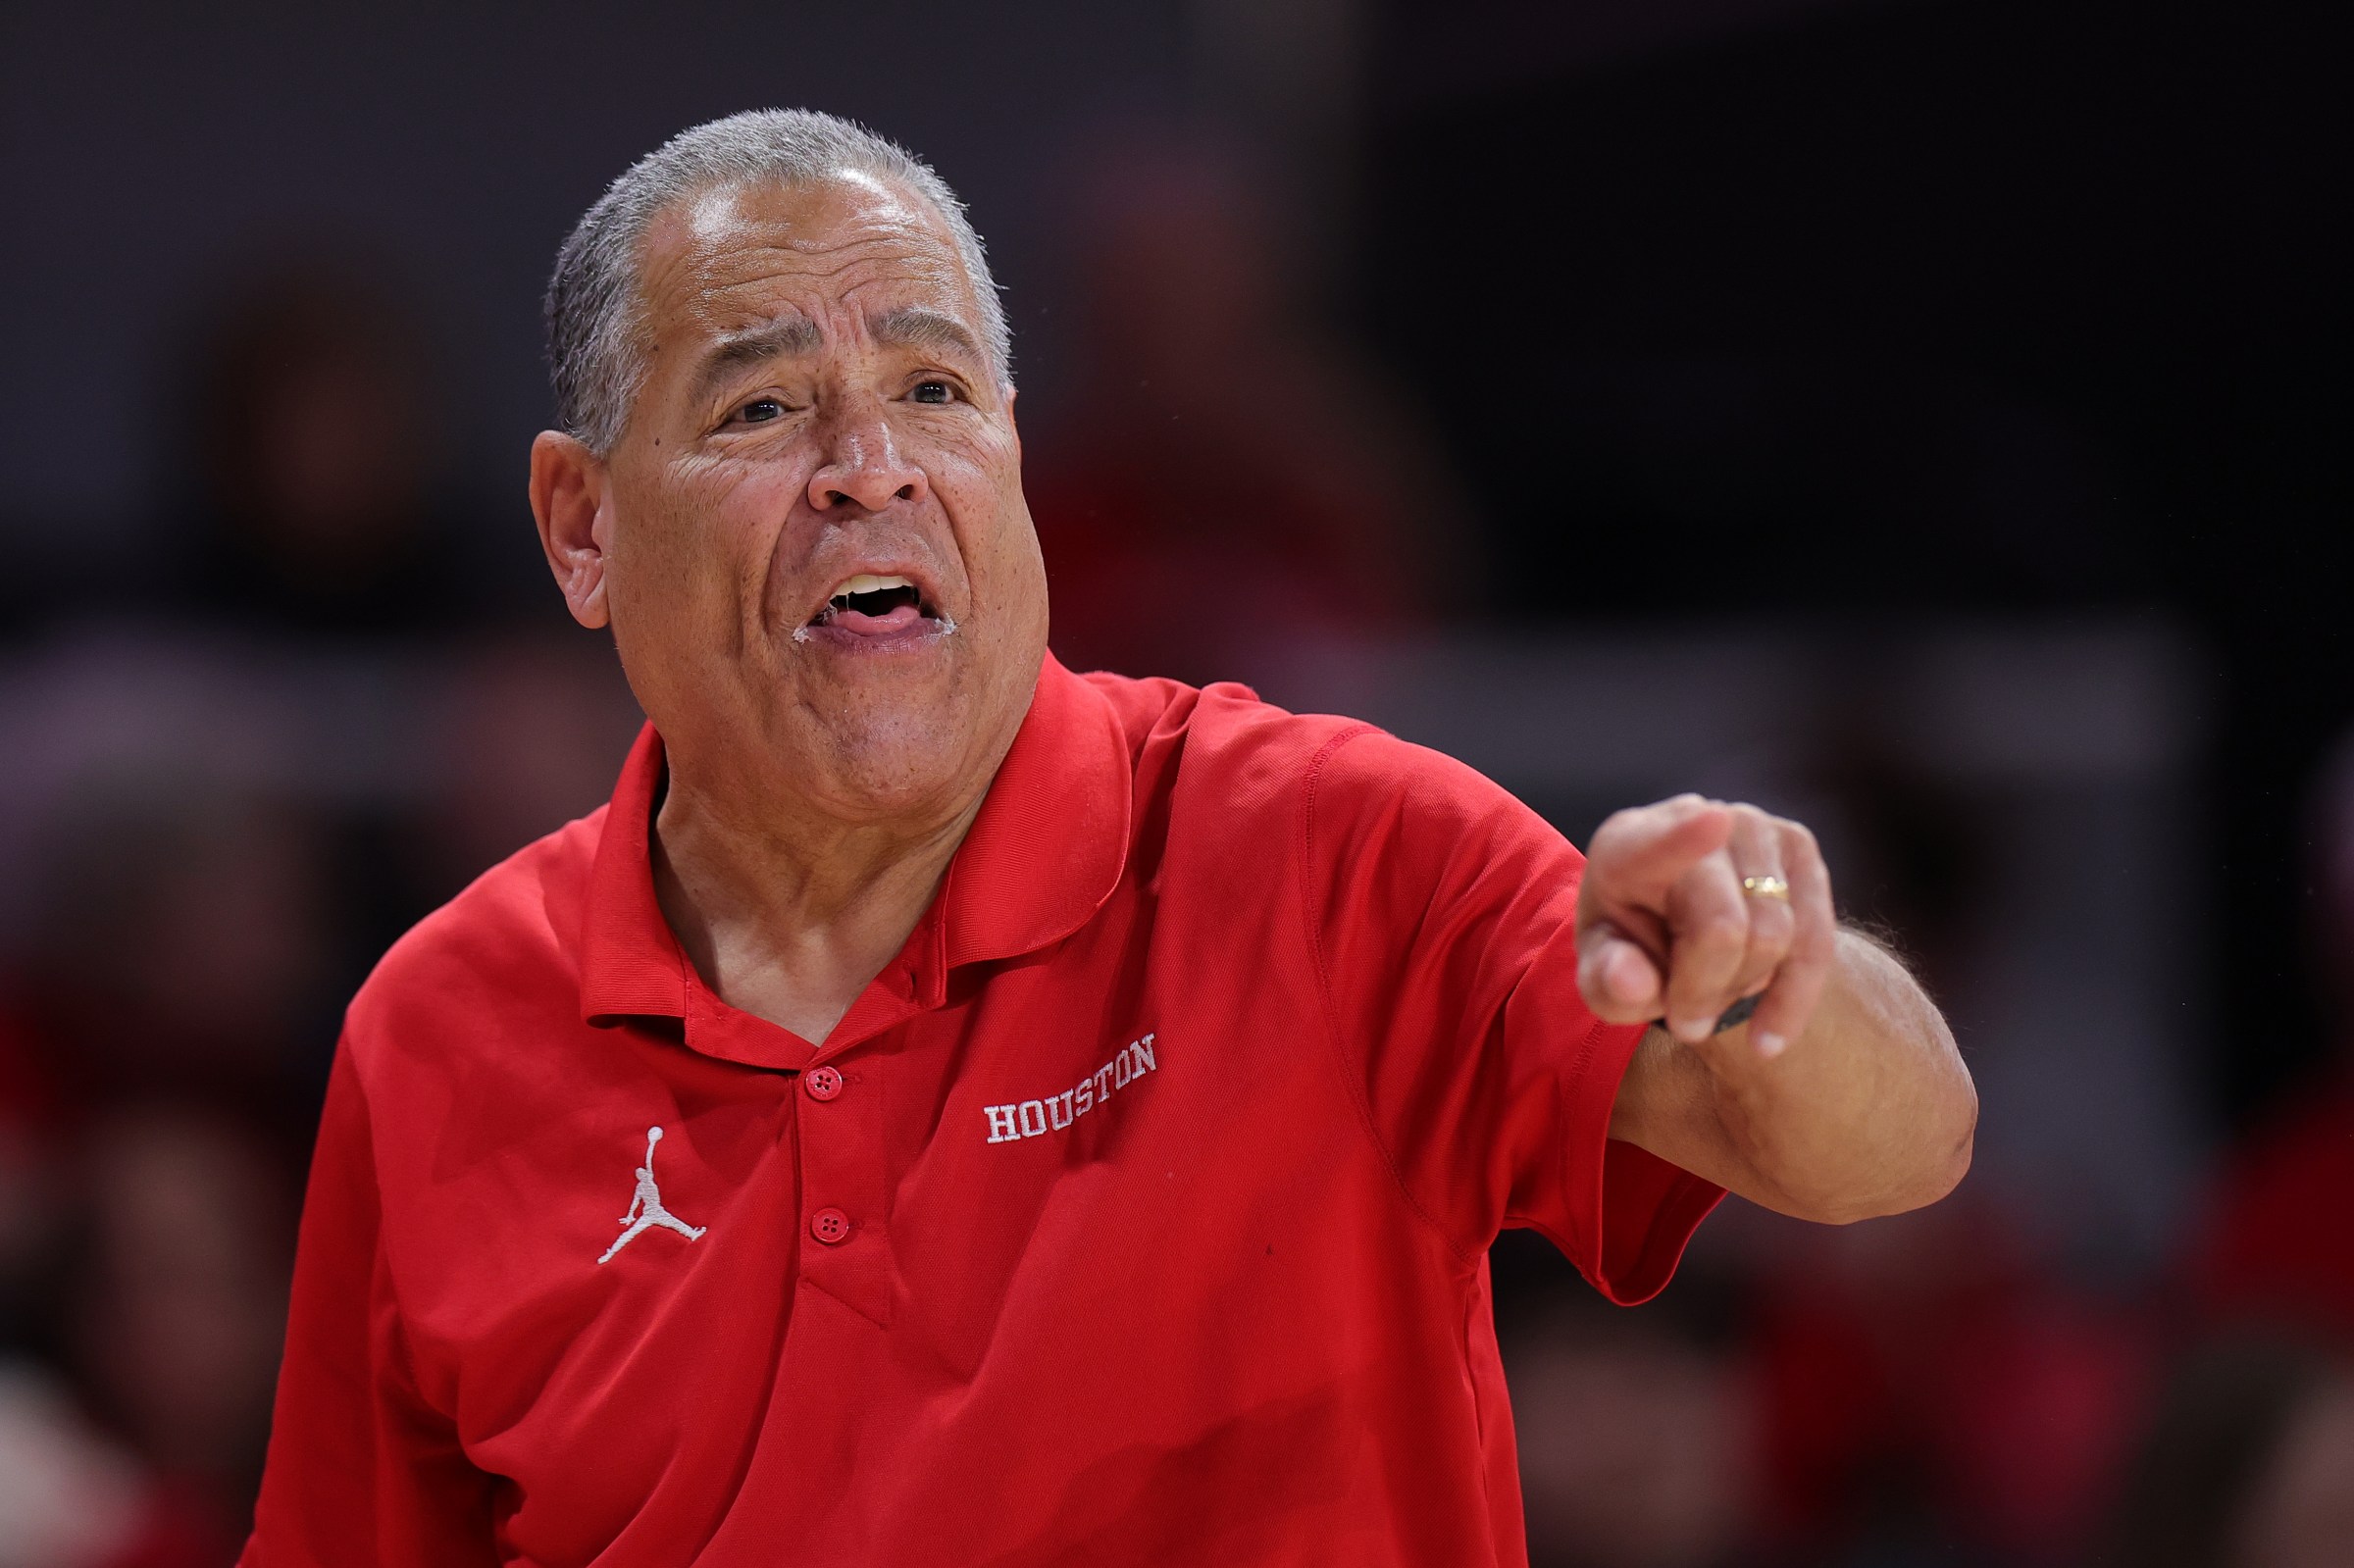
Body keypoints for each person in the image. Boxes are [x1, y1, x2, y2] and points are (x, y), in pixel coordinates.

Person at [237, 110, 1974, 1566]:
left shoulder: (1318, 846)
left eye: (935, 390)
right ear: (581, 526)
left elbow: (1894, 1154)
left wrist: (1772, 986)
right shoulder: (439, 1032)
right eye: (763, 410)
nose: (869, 467)